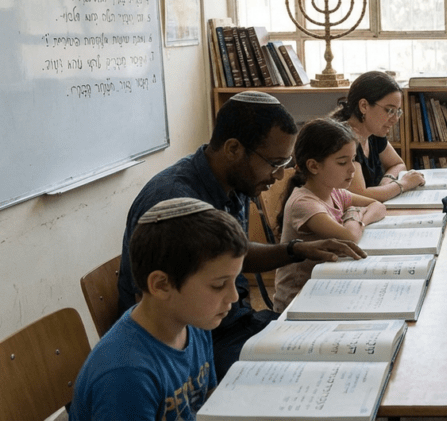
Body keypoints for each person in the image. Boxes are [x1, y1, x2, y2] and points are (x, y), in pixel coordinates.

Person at [116, 91, 366, 379]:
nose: (279, 176)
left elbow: (236, 255)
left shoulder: (233, 182)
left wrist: (296, 250)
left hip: (230, 320)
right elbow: (150, 305)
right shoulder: (174, 202)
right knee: (317, 368)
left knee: (335, 343)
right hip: (198, 339)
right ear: (233, 149)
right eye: (274, 164)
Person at [71, 198, 247, 420]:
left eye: (234, 280)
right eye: (219, 285)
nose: (234, 296)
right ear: (161, 285)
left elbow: (210, 406)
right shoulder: (125, 375)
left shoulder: (195, 323)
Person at [273, 118, 386, 312]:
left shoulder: (334, 191)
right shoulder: (304, 204)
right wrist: (354, 215)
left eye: (353, 159)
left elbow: (378, 206)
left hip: (329, 284)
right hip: (299, 301)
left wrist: (358, 218)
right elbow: (350, 237)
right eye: (343, 162)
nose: (352, 169)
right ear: (314, 166)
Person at [329, 70, 425, 202]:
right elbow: (360, 195)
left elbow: (398, 164)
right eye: (390, 110)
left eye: (398, 111)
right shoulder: (344, 140)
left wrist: (386, 182)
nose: (396, 119)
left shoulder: (373, 132)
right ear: (364, 106)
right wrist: (403, 184)